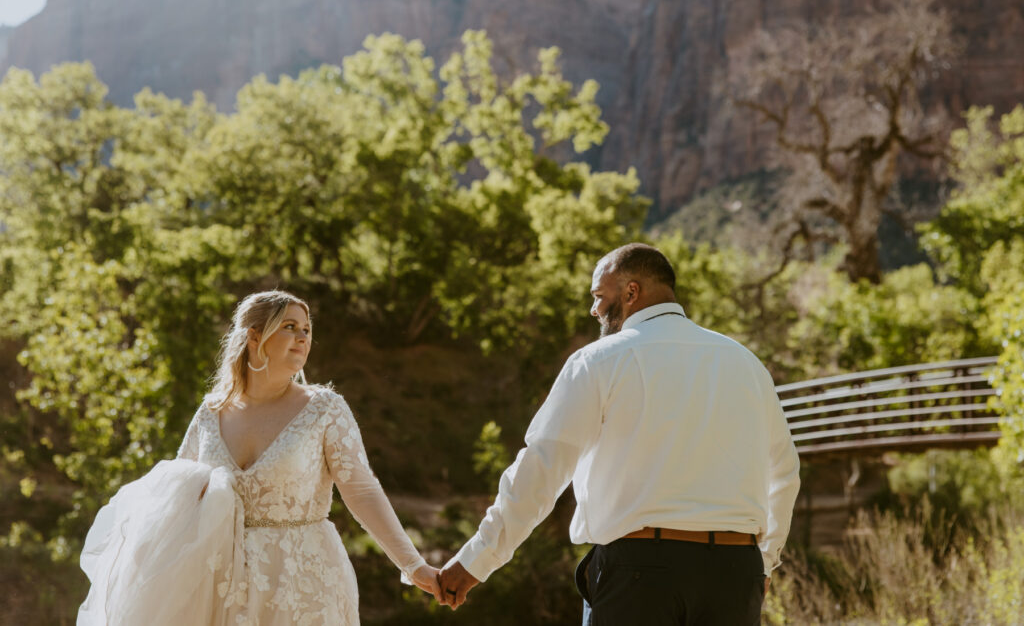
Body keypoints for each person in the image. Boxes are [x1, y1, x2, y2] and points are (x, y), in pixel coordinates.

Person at [437, 243, 801, 624]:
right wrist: (763, 563)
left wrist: (476, 560)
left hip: (640, 574)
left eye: (599, 295)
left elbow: (542, 467)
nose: (594, 309)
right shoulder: (746, 364)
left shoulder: (598, 361)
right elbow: (784, 472)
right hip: (734, 574)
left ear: (631, 292)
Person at [78, 290, 441, 625]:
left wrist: (414, 565)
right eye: (289, 327)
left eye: (307, 330)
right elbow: (175, 503)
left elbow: (362, 491)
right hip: (221, 586)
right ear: (254, 337)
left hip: (304, 583)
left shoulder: (325, 409)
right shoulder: (210, 412)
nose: (303, 337)